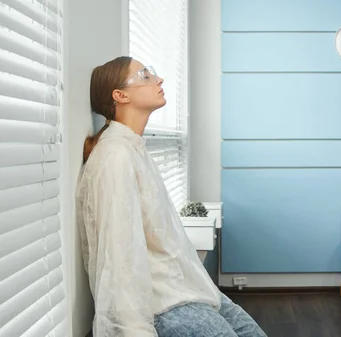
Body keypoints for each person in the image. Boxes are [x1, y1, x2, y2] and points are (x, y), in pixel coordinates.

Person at [76, 56, 268, 337]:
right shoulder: (114, 156)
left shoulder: (134, 149)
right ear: (120, 96)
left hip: (190, 288)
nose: (158, 79)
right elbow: (118, 257)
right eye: (144, 75)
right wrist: (135, 330)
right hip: (164, 306)